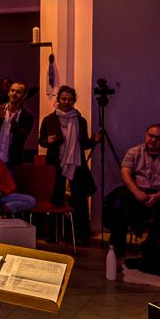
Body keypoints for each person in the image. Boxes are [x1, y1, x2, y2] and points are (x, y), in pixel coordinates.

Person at [103, 124, 160, 255]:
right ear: (146, 135)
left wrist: (157, 197)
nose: (153, 140)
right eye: (151, 136)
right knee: (116, 204)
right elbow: (125, 172)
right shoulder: (134, 152)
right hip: (136, 189)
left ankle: (150, 244)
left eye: (158, 138)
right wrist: (137, 192)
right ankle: (118, 242)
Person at [38, 85, 100, 229]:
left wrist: (93, 141)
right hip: (56, 163)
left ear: (74, 101)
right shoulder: (49, 119)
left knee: (79, 198)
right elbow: (41, 141)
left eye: (70, 100)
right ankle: (54, 232)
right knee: (56, 197)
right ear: (58, 99)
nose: (66, 102)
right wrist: (48, 141)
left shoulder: (80, 120)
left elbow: (82, 143)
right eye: (64, 99)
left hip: (76, 164)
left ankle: (80, 233)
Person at [0, 82, 35, 167]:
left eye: (18, 92)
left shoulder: (27, 116)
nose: (14, 93)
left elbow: (22, 138)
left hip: (12, 161)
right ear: (8, 93)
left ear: (24, 96)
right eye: (12, 90)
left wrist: (14, 123)